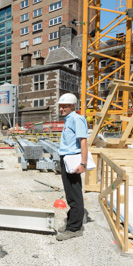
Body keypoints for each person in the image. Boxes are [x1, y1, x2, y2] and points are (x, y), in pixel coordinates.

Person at [56, 93, 88, 241]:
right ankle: (71, 222)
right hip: (66, 159)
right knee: (70, 194)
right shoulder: (69, 120)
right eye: (61, 106)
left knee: (74, 194)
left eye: (65, 106)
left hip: (73, 160)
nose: (62, 109)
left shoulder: (77, 119)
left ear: (73, 106)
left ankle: (75, 228)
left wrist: (83, 163)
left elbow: (83, 141)